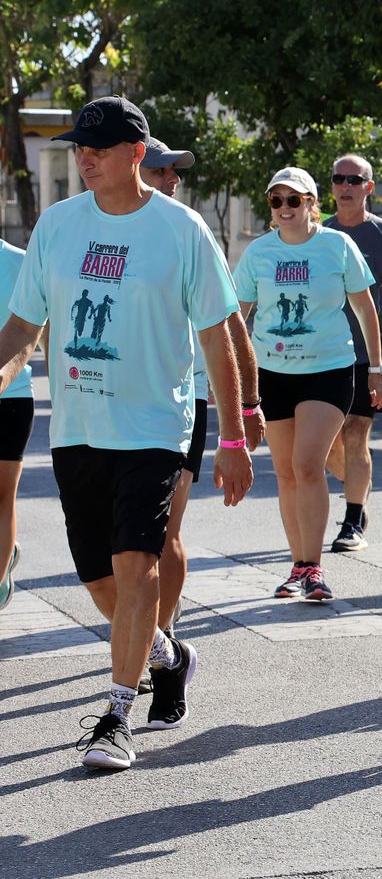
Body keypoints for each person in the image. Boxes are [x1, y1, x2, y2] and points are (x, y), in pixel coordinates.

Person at [0, 96, 252, 770]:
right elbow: (25, 326)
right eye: (80, 147)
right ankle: (167, 652)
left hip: (155, 425)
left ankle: (116, 714)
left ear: (137, 154)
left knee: (136, 564)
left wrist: (232, 437)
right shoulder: (57, 225)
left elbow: (215, 337)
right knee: (97, 573)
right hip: (79, 428)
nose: (85, 158)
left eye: (100, 149)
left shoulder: (181, 229)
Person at [136, 138, 264, 692]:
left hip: (182, 401)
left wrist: (249, 405)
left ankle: (158, 637)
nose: (173, 179)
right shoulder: (98, 227)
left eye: (175, 171)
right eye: (164, 169)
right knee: (116, 546)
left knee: (164, 533)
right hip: (113, 404)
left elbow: (231, 325)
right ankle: (151, 641)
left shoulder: (189, 229)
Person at [235, 167, 382, 602]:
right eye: (276, 201)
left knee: (307, 465)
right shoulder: (258, 253)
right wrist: (228, 375)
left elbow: (365, 308)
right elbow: (237, 318)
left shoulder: (337, 246)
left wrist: (376, 368)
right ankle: (298, 565)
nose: (284, 208)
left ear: (310, 203)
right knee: (285, 473)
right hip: (272, 374)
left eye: (293, 200)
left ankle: (314, 567)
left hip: (329, 370)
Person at [323, 154, 382, 553]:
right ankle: (358, 487)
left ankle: (353, 518)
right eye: (339, 179)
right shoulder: (317, 233)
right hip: (319, 354)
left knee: (357, 432)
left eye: (354, 180)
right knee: (324, 446)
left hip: (369, 354)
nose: (345, 186)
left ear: (369, 188)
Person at [0, 239, 31, 612]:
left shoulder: (22, 261)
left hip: (12, 394)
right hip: (17, 391)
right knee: (3, 498)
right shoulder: (22, 261)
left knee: (3, 496)